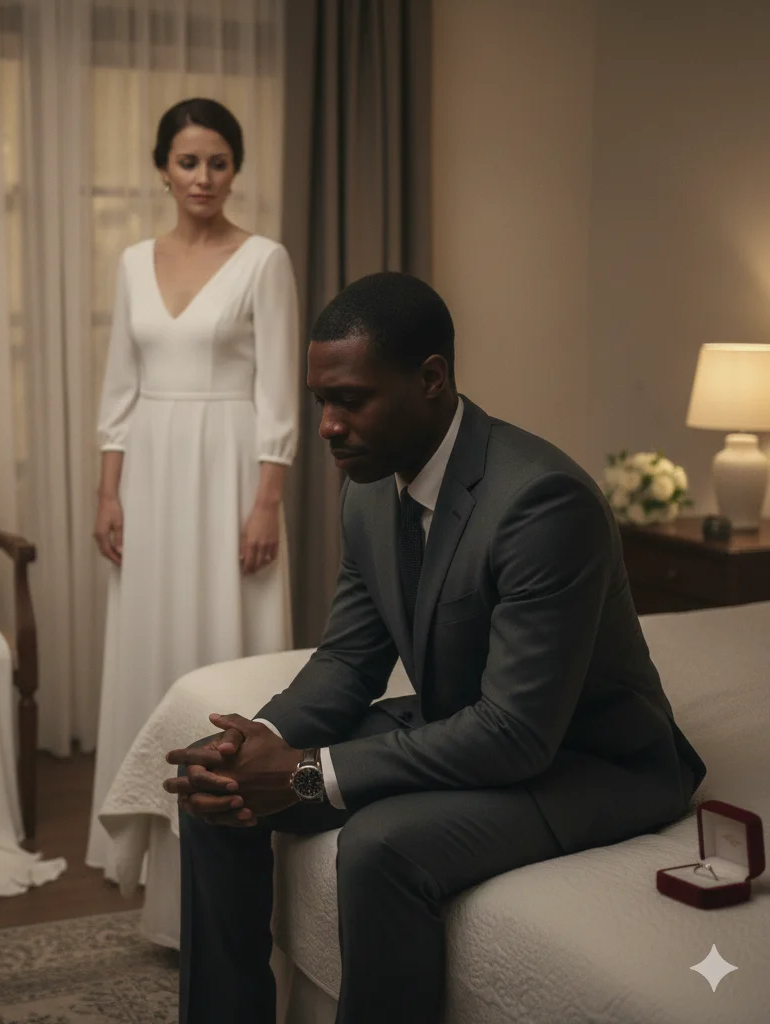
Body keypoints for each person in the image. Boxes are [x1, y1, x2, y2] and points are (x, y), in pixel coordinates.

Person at [165, 272, 706, 1023]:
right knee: (214, 787)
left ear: (430, 379)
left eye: (351, 400)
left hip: (591, 758)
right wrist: (265, 743)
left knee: (382, 845)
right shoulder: (368, 487)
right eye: (323, 402)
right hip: (466, 722)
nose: (327, 426)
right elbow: (349, 660)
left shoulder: (543, 503)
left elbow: (516, 734)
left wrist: (309, 775)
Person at [86, 98, 300, 878]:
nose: (203, 176)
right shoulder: (132, 262)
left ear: (235, 169)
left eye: (217, 161)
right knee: (150, 646)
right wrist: (109, 494)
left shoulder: (264, 259)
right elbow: (119, 388)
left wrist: (266, 502)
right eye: (187, 162)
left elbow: (280, 394)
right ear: (163, 170)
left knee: (222, 643)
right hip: (151, 470)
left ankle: (228, 853)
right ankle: (147, 857)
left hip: (230, 474)